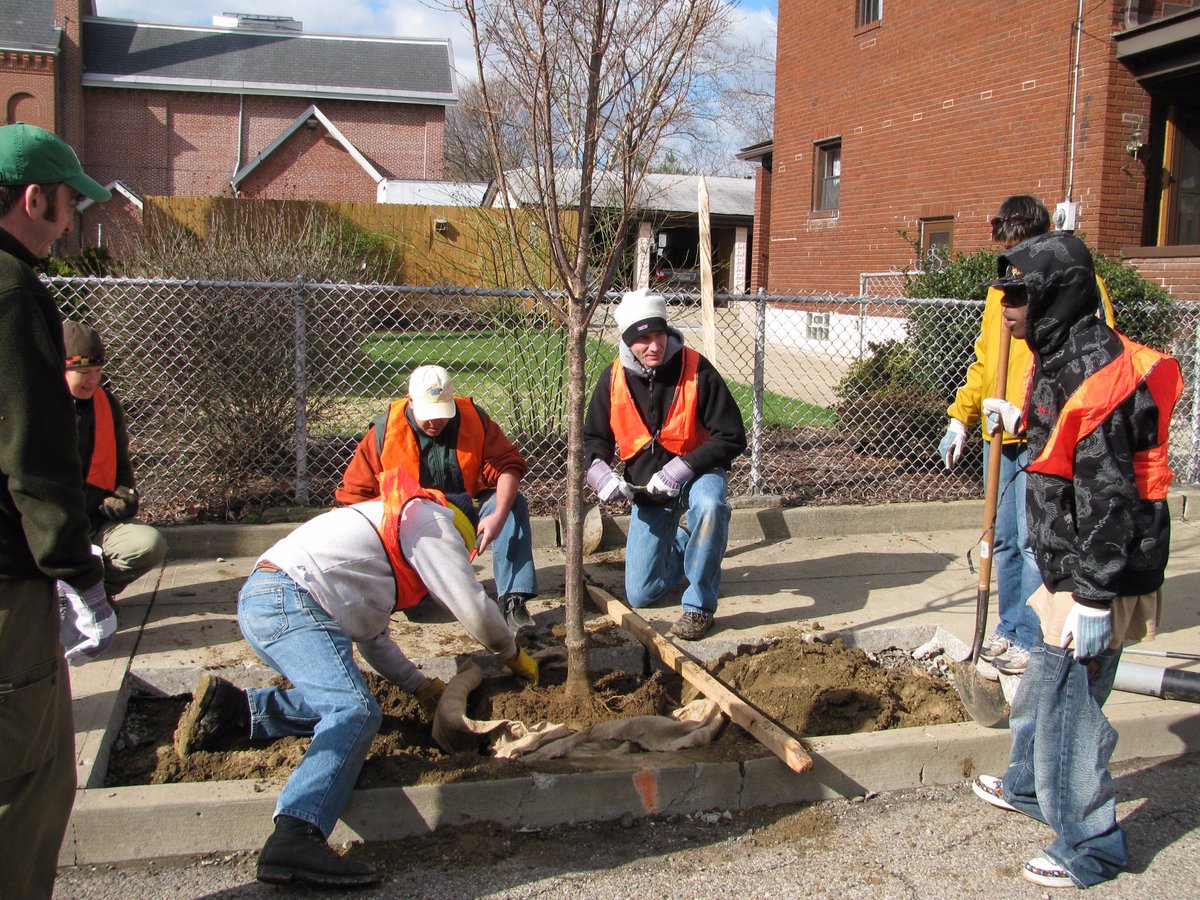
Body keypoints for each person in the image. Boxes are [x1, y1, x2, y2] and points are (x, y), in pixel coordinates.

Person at [175, 466, 539, 887]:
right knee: (354, 711)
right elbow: (474, 608)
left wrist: (422, 687)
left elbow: (374, 640)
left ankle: (239, 711)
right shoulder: (430, 519)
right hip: (288, 601)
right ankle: (295, 832)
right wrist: (513, 655)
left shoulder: (385, 531)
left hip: (267, 599)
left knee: (340, 692)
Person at [970, 229, 1182, 889]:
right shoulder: (1061, 352)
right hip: (1070, 565)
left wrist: (1093, 595)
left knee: (1073, 710)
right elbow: (1067, 447)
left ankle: (1092, 845)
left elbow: (1112, 497)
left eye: (1020, 294)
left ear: (1057, 296)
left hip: (1101, 572)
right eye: (1004, 292)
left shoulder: (1100, 373)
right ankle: (1031, 786)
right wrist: (1023, 423)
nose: (1006, 306)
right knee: (1042, 685)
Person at [0, 123, 115, 898]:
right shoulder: (13, 294)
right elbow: (32, 456)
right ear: (36, 197)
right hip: (8, 581)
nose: (73, 219)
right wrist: (75, 570)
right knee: (28, 776)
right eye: (71, 201)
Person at [939, 195, 1115, 678]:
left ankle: (1037, 638)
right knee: (1004, 542)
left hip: (1048, 434)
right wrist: (962, 416)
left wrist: (1034, 415)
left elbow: (1096, 368)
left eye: (1022, 246)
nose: (1015, 261)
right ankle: (1009, 627)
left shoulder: (1078, 286)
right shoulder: (1002, 293)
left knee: (1037, 542)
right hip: (1005, 436)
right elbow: (984, 361)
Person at [583, 288, 747, 641]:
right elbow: (593, 439)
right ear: (628, 341)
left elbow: (732, 436)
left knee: (710, 506)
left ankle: (699, 607)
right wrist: (599, 473)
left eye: (658, 334)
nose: (654, 346)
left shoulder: (697, 369)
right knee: (642, 593)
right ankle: (692, 544)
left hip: (699, 472)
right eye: (642, 338)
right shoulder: (611, 380)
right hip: (648, 488)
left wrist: (681, 468)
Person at [336, 365, 538, 632]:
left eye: (441, 414)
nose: (434, 422)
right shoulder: (383, 434)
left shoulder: (473, 419)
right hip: (410, 525)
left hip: (464, 512)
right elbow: (353, 497)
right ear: (410, 402)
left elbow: (507, 465)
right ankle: (410, 591)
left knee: (512, 504)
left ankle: (513, 600)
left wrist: (498, 517)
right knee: (422, 605)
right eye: (427, 416)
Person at [61, 321, 168, 597]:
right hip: (44, 530)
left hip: (92, 524)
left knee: (147, 543)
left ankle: (93, 595)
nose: (93, 380)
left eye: (98, 371)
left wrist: (124, 498)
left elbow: (121, 469)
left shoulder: (106, 404)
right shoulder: (34, 407)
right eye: (83, 372)